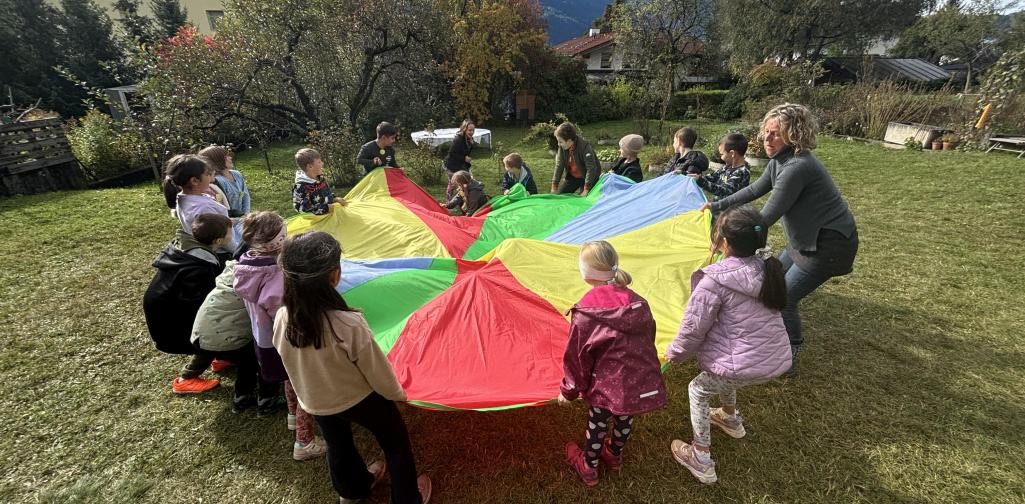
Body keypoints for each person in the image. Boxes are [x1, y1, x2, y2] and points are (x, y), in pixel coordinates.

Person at [273, 231, 432, 504]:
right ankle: (407, 498)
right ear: (334, 275)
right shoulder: (347, 324)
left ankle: (352, 490)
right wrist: (397, 394)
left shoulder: (282, 317)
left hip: (316, 400)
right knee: (395, 444)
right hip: (360, 400)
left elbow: (286, 358)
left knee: (338, 443)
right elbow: (377, 371)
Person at [701, 103, 859, 374]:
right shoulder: (779, 160)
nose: (766, 138)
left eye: (775, 133)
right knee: (770, 284)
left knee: (783, 297)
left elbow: (765, 218)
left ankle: (790, 354)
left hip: (828, 246)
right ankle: (770, 338)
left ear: (794, 134)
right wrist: (717, 205)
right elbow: (754, 190)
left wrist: (728, 239)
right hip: (804, 241)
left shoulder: (797, 167)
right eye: (765, 132)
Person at [664, 206, 792, 484]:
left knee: (698, 390)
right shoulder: (767, 267)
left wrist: (675, 353)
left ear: (723, 242)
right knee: (725, 371)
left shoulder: (714, 280)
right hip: (774, 358)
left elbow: (693, 328)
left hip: (745, 363)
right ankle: (729, 418)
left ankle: (700, 457)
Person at [558, 240, 667, 487]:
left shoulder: (586, 312)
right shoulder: (638, 302)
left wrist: (569, 389)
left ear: (586, 274)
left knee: (598, 420)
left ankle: (589, 465)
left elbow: (577, 356)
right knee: (625, 416)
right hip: (637, 380)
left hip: (607, 384)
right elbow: (648, 338)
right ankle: (614, 454)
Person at [233, 211, 326, 461]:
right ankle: (304, 443)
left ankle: (293, 416)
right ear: (278, 241)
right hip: (287, 340)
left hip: (264, 339)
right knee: (304, 385)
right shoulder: (275, 277)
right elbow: (285, 314)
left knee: (289, 378)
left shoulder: (247, 264)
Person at [143, 213, 232, 394]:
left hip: (166, 307)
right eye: (230, 232)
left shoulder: (189, 248)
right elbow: (203, 307)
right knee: (209, 333)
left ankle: (221, 357)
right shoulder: (199, 267)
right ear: (218, 240)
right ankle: (186, 379)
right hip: (170, 318)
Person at [162, 154, 230, 241]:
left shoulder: (182, 199)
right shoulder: (204, 208)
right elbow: (222, 237)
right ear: (194, 181)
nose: (210, 176)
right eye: (208, 174)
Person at [689, 132, 751, 202]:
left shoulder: (742, 172)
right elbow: (713, 177)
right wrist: (691, 177)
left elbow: (724, 190)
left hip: (732, 208)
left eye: (722, 154)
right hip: (720, 206)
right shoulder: (727, 167)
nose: (721, 157)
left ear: (732, 153)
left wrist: (700, 181)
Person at [550, 122, 601, 196]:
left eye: (560, 142)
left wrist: (586, 189)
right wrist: (554, 186)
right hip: (573, 177)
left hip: (588, 177)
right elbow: (559, 165)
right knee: (561, 196)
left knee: (584, 199)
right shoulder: (562, 147)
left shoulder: (585, 147)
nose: (558, 144)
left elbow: (591, 168)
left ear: (569, 141)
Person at [199, 145, 251, 218]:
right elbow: (223, 206)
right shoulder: (216, 181)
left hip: (243, 217)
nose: (230, 157)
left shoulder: (237, 174)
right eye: (226, 157)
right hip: (230, 219)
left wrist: (246, 215)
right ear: (217, 161)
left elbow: (246, 196)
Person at [293, 148, 346, 215]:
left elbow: (326, 193)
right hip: (318, 220)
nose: (322, 163)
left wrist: (334, 198)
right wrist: (325, 209)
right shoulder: (301, 186)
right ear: (310, 166)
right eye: (319, 162)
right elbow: (302, 209)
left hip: (330, 215)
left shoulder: (320, 177)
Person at [443, 119, 475, 200]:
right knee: (453, 184)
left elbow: (466, 152)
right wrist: (464, 158)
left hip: (461, 164)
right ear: (464, 129)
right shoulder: (458, 139)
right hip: (451, 165)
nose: (471, 132)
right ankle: (448, 202)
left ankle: (467, 200)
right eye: (469, 130)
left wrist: (471, 145)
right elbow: (451, 153)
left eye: (473, 130)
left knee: (469, 180)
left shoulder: (470, 139)